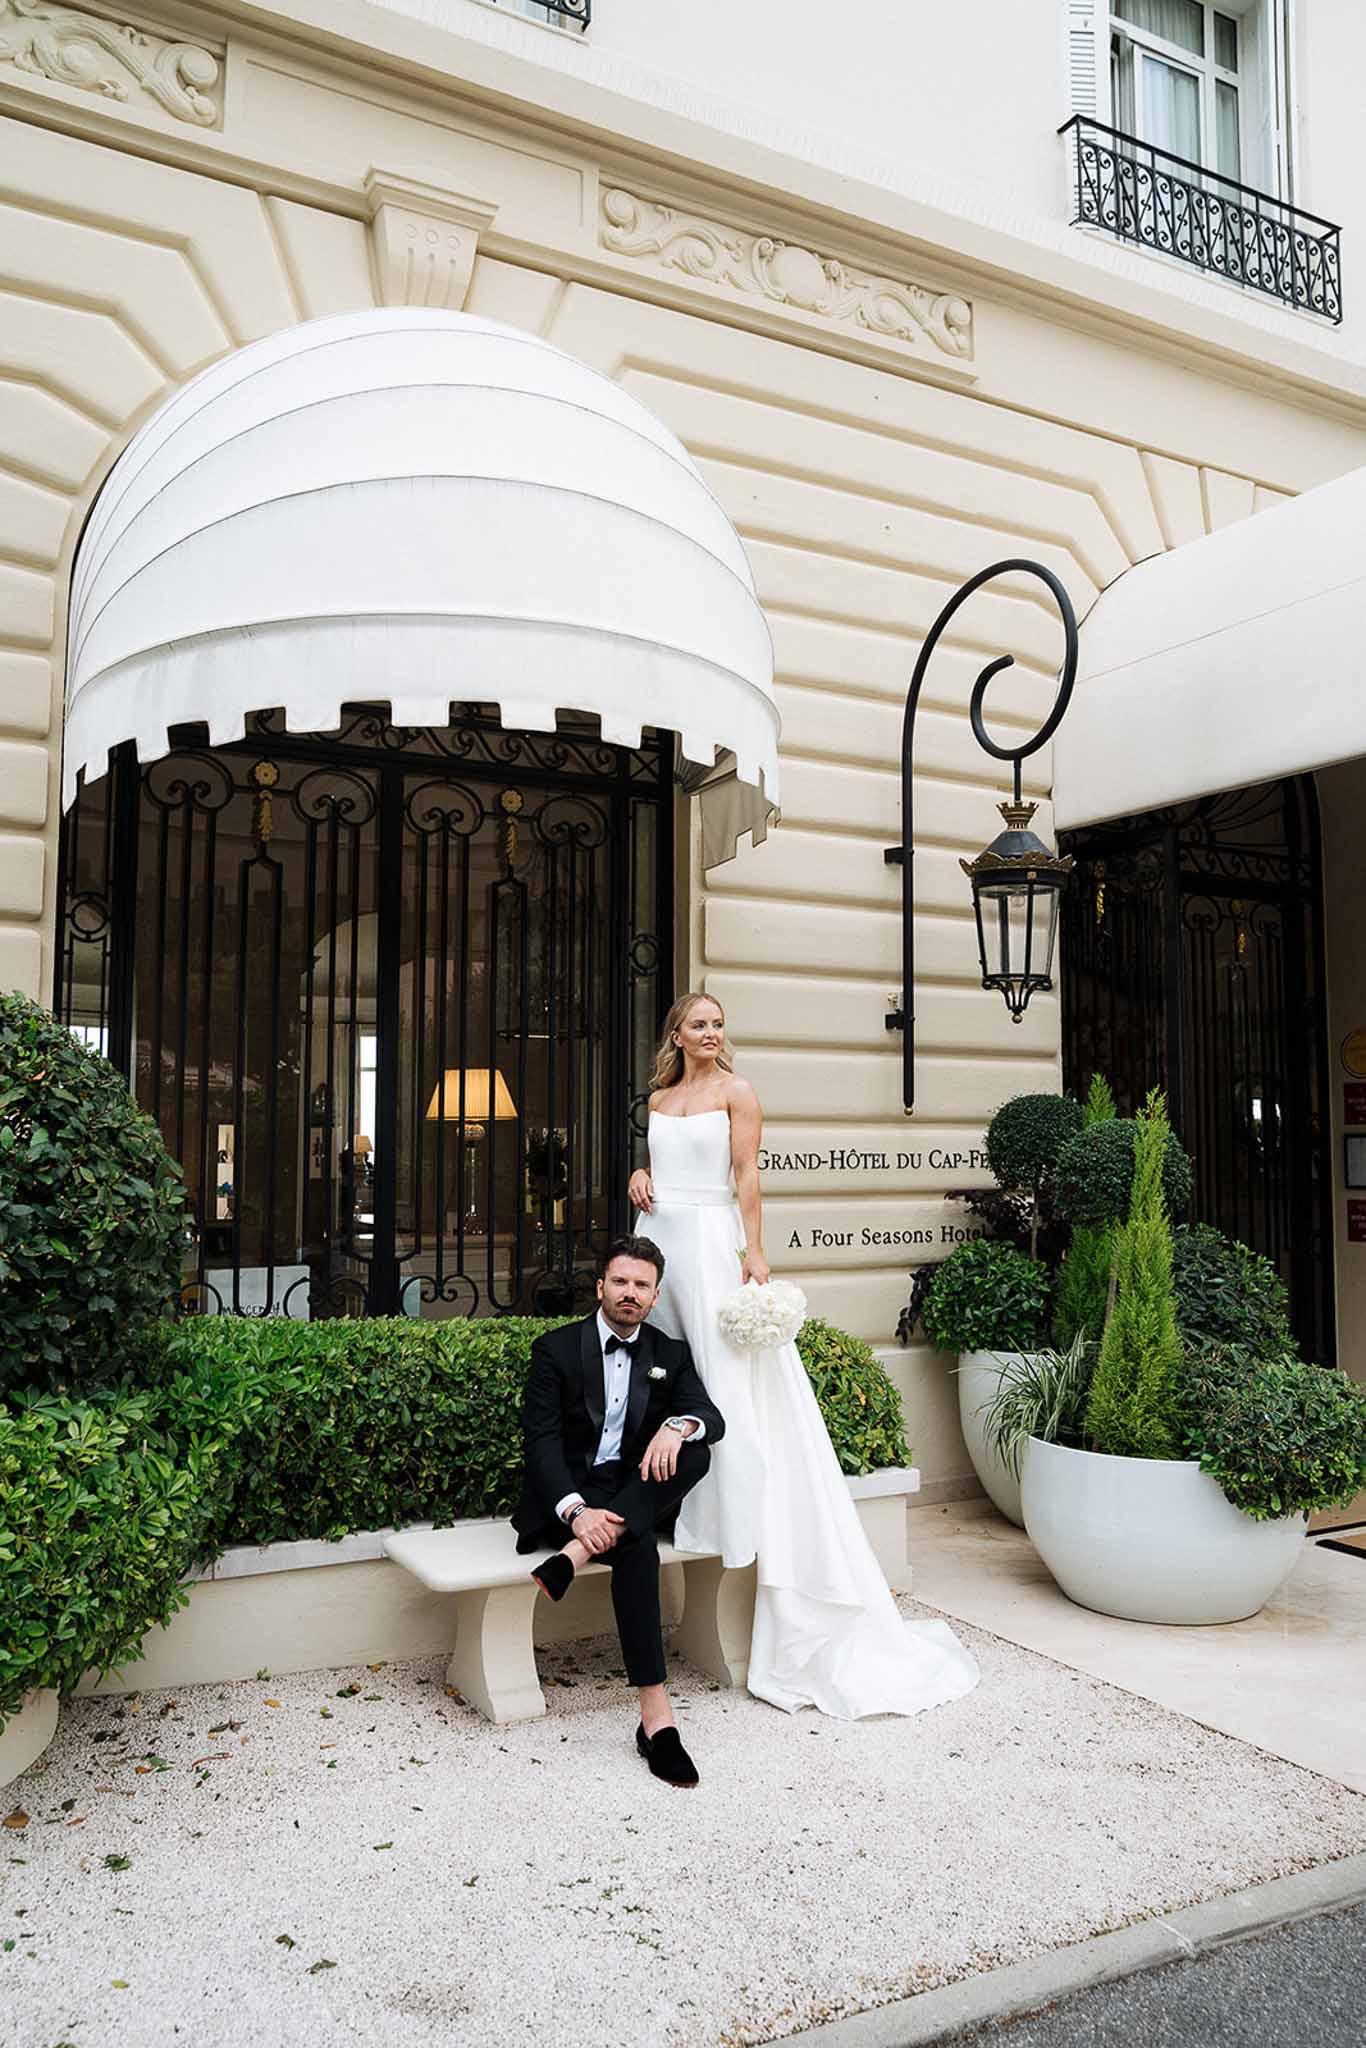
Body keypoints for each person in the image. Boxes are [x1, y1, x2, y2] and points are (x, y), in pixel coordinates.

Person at [629, 991, 979, 1718]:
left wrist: (755, 1252)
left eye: (719, 1023)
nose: (711, 1032)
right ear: (676, 1034)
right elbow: (658, 1169)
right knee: (665, 1369)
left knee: (724, 1378)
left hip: (713, 1241)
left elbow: (748, 1175)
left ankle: (730, 1512)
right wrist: (640, 1182)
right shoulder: (660, 1098)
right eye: (699, 1023)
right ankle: (667, 1495)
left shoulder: (738, 1091)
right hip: (661, 1238)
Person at [512, 1236, 725, 1786]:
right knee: (637, 1547)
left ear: (656, 1297)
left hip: (628, 1489)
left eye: (643, 1286)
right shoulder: (555, 1350)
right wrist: (578, 1513)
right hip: (572, 1494)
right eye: (622, 1282)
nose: (630, 1294)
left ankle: (575, 1557)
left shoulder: (668, 1355)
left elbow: (710, 1417)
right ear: (600, 1286)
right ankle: (657, 1720)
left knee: (696, 1450)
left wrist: (677, 1426)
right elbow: (540, 1444)